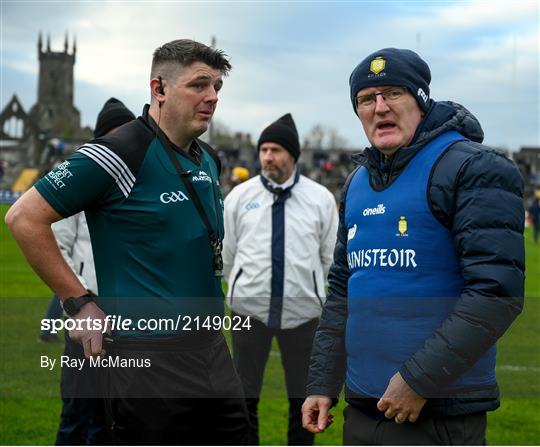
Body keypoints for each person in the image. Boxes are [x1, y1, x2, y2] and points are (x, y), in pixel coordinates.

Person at [6, 39, 248, 445]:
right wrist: (78, 303)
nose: (212, 97)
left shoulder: (206, 157)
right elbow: (24, 218)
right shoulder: (118, 152)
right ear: (159, 89)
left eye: (217, 88)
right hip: (149, 359)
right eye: (200, 85)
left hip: (211, 348)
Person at [302, 48, 525, 445]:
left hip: (437, 411)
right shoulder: (356, 183)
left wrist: (418, 381)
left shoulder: (475, 167)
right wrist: (322, 381)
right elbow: (342, 291)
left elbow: (495, 293)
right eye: (366, 99)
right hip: (364, 405)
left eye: (393, 93)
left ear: (421, 100)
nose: (380, 107)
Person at [223, 113, 338, 445]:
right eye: (263, 150)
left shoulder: (320, 199)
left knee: (303, 402)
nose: (267, 157)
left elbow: (330, 258)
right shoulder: (239, 198)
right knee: (244, 399)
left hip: (303, 316)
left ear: (293, 155)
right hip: (250, 313)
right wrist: (244, 287)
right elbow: (228, 256)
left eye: (275, 150)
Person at [52, 97, 135, 445]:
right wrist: (80, 301)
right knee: (79, 408)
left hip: (134, 313)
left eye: (127, 136)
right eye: (114, 137)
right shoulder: (77, 176)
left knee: (122, 411)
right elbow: (57, 246)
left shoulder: (140, 180)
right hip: (90, 308)